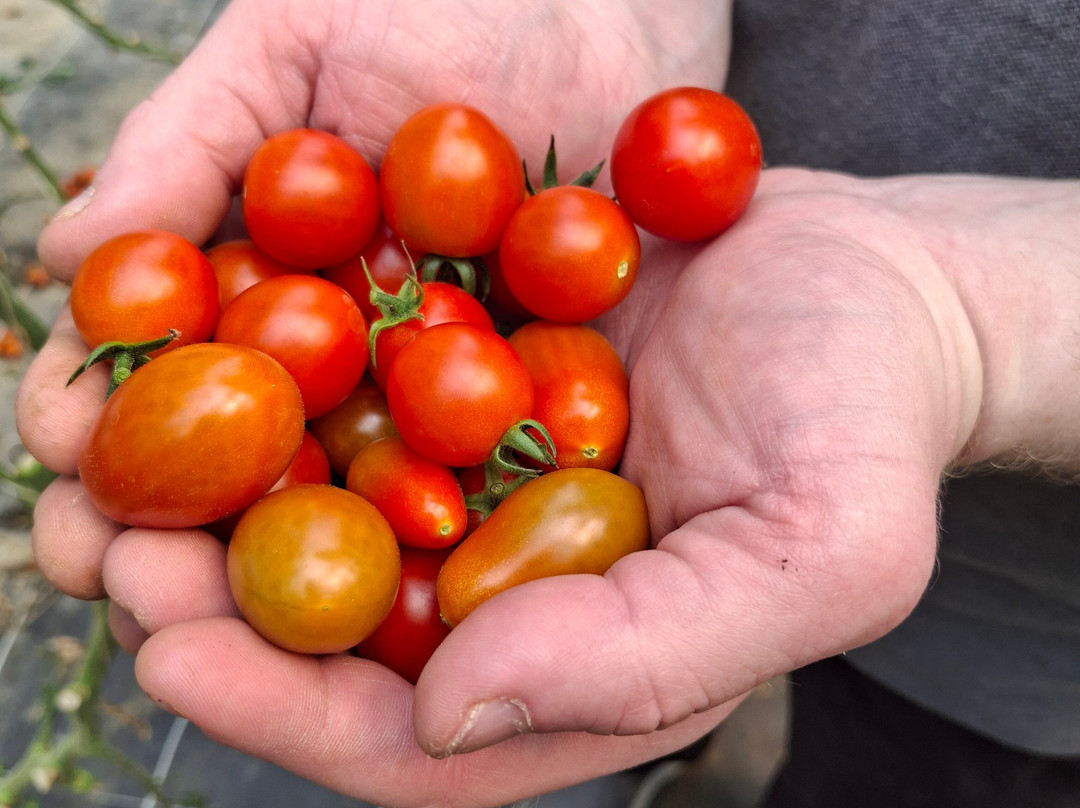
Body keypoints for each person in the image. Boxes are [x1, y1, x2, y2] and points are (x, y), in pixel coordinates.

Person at [15, 0, 1079, 806]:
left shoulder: (441, 366)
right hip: (700, 394)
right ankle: (657, 764)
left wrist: (965, 319)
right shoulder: (416, 358)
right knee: (636, 667)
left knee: (908, 770)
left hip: (1032, 645)